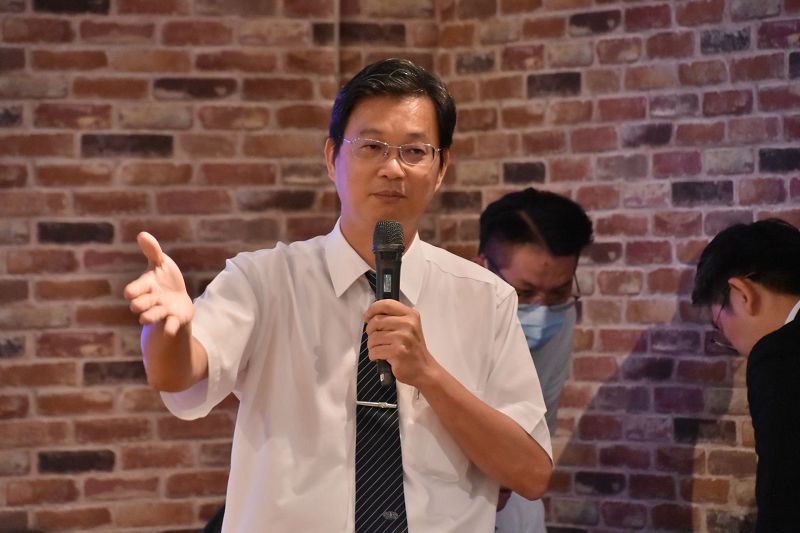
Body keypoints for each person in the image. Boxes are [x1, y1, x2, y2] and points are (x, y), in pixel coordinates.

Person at [124, 58, 553, 532]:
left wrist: (428, 374)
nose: (393, 168)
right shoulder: (265, 281)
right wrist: (167, 330)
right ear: (332, 158)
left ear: (440, 168)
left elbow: (531, 475)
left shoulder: (486, 299)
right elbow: (176, 374)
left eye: (414, 151)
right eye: (372, 146)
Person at [475, 188, 593, 532]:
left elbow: (537, 431)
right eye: (524, 293)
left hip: (513, 493)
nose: (542, 310)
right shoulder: (438, 317)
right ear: (482, 266)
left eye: (558, 292)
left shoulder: (561, 315)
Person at [692, 218, 800, 533]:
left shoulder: (778, 356)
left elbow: (784, 500)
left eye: (719, 326)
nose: (735, 347)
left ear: (742, 293)